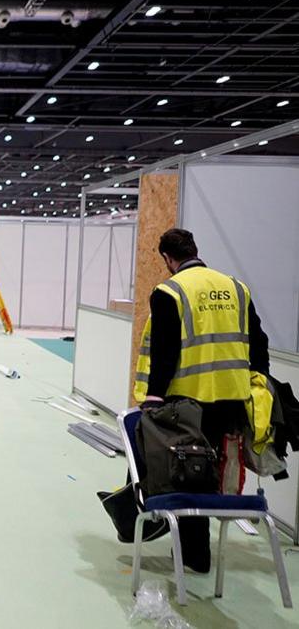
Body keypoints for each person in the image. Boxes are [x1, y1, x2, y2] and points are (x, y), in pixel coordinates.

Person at [133, 228, 270, 573]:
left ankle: (195, 557)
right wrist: (259, 382)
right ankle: (199, 552)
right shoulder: (236, 288)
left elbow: (166, 352)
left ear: (167, 258)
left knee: (189, 474)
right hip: (232, 402)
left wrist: (153, 398)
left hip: (187, 405)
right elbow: (259, 342)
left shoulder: (170, 291)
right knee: (218, 475)